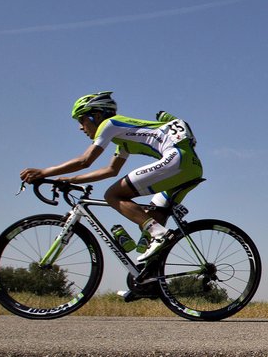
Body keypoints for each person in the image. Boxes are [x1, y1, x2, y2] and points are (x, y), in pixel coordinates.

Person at [20, 92, 201, 271]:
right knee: (150, 220)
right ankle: (151, 279)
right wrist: (70, 179)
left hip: (177, 160)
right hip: (191, 167)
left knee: (113, 195)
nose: (81, 127)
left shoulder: (109, 124)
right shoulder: (122, 138)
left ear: (96, 115)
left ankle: (159, 235)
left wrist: (44, 172)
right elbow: (110, 170)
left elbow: (85, 161)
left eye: (82, 120)